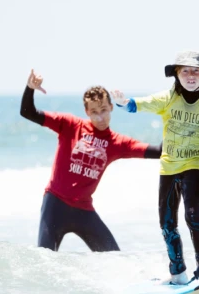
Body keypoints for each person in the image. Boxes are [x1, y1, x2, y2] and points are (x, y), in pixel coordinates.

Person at [112, 51, 199, 284]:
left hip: (193, 165)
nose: (191, 75)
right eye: (185, 70)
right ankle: (178, 273)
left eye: (196, 71)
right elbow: (140, 105)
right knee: (167, 222)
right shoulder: (168, 98)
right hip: (168, 167)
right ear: (176, 74)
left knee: (193, 216)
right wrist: (124, 103)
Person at [20, 69, 162, 252]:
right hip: (55, 205)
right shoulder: (69, 125)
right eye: (94, 112)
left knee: (114, 258)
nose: (100, 117)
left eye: (103, 110)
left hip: (83, 209)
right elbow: (27, 112)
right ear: (86, 111)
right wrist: (30, 88)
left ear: (111, 107)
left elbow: (159, 151)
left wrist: (175, 123)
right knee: (44, 259)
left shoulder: (117, 142)